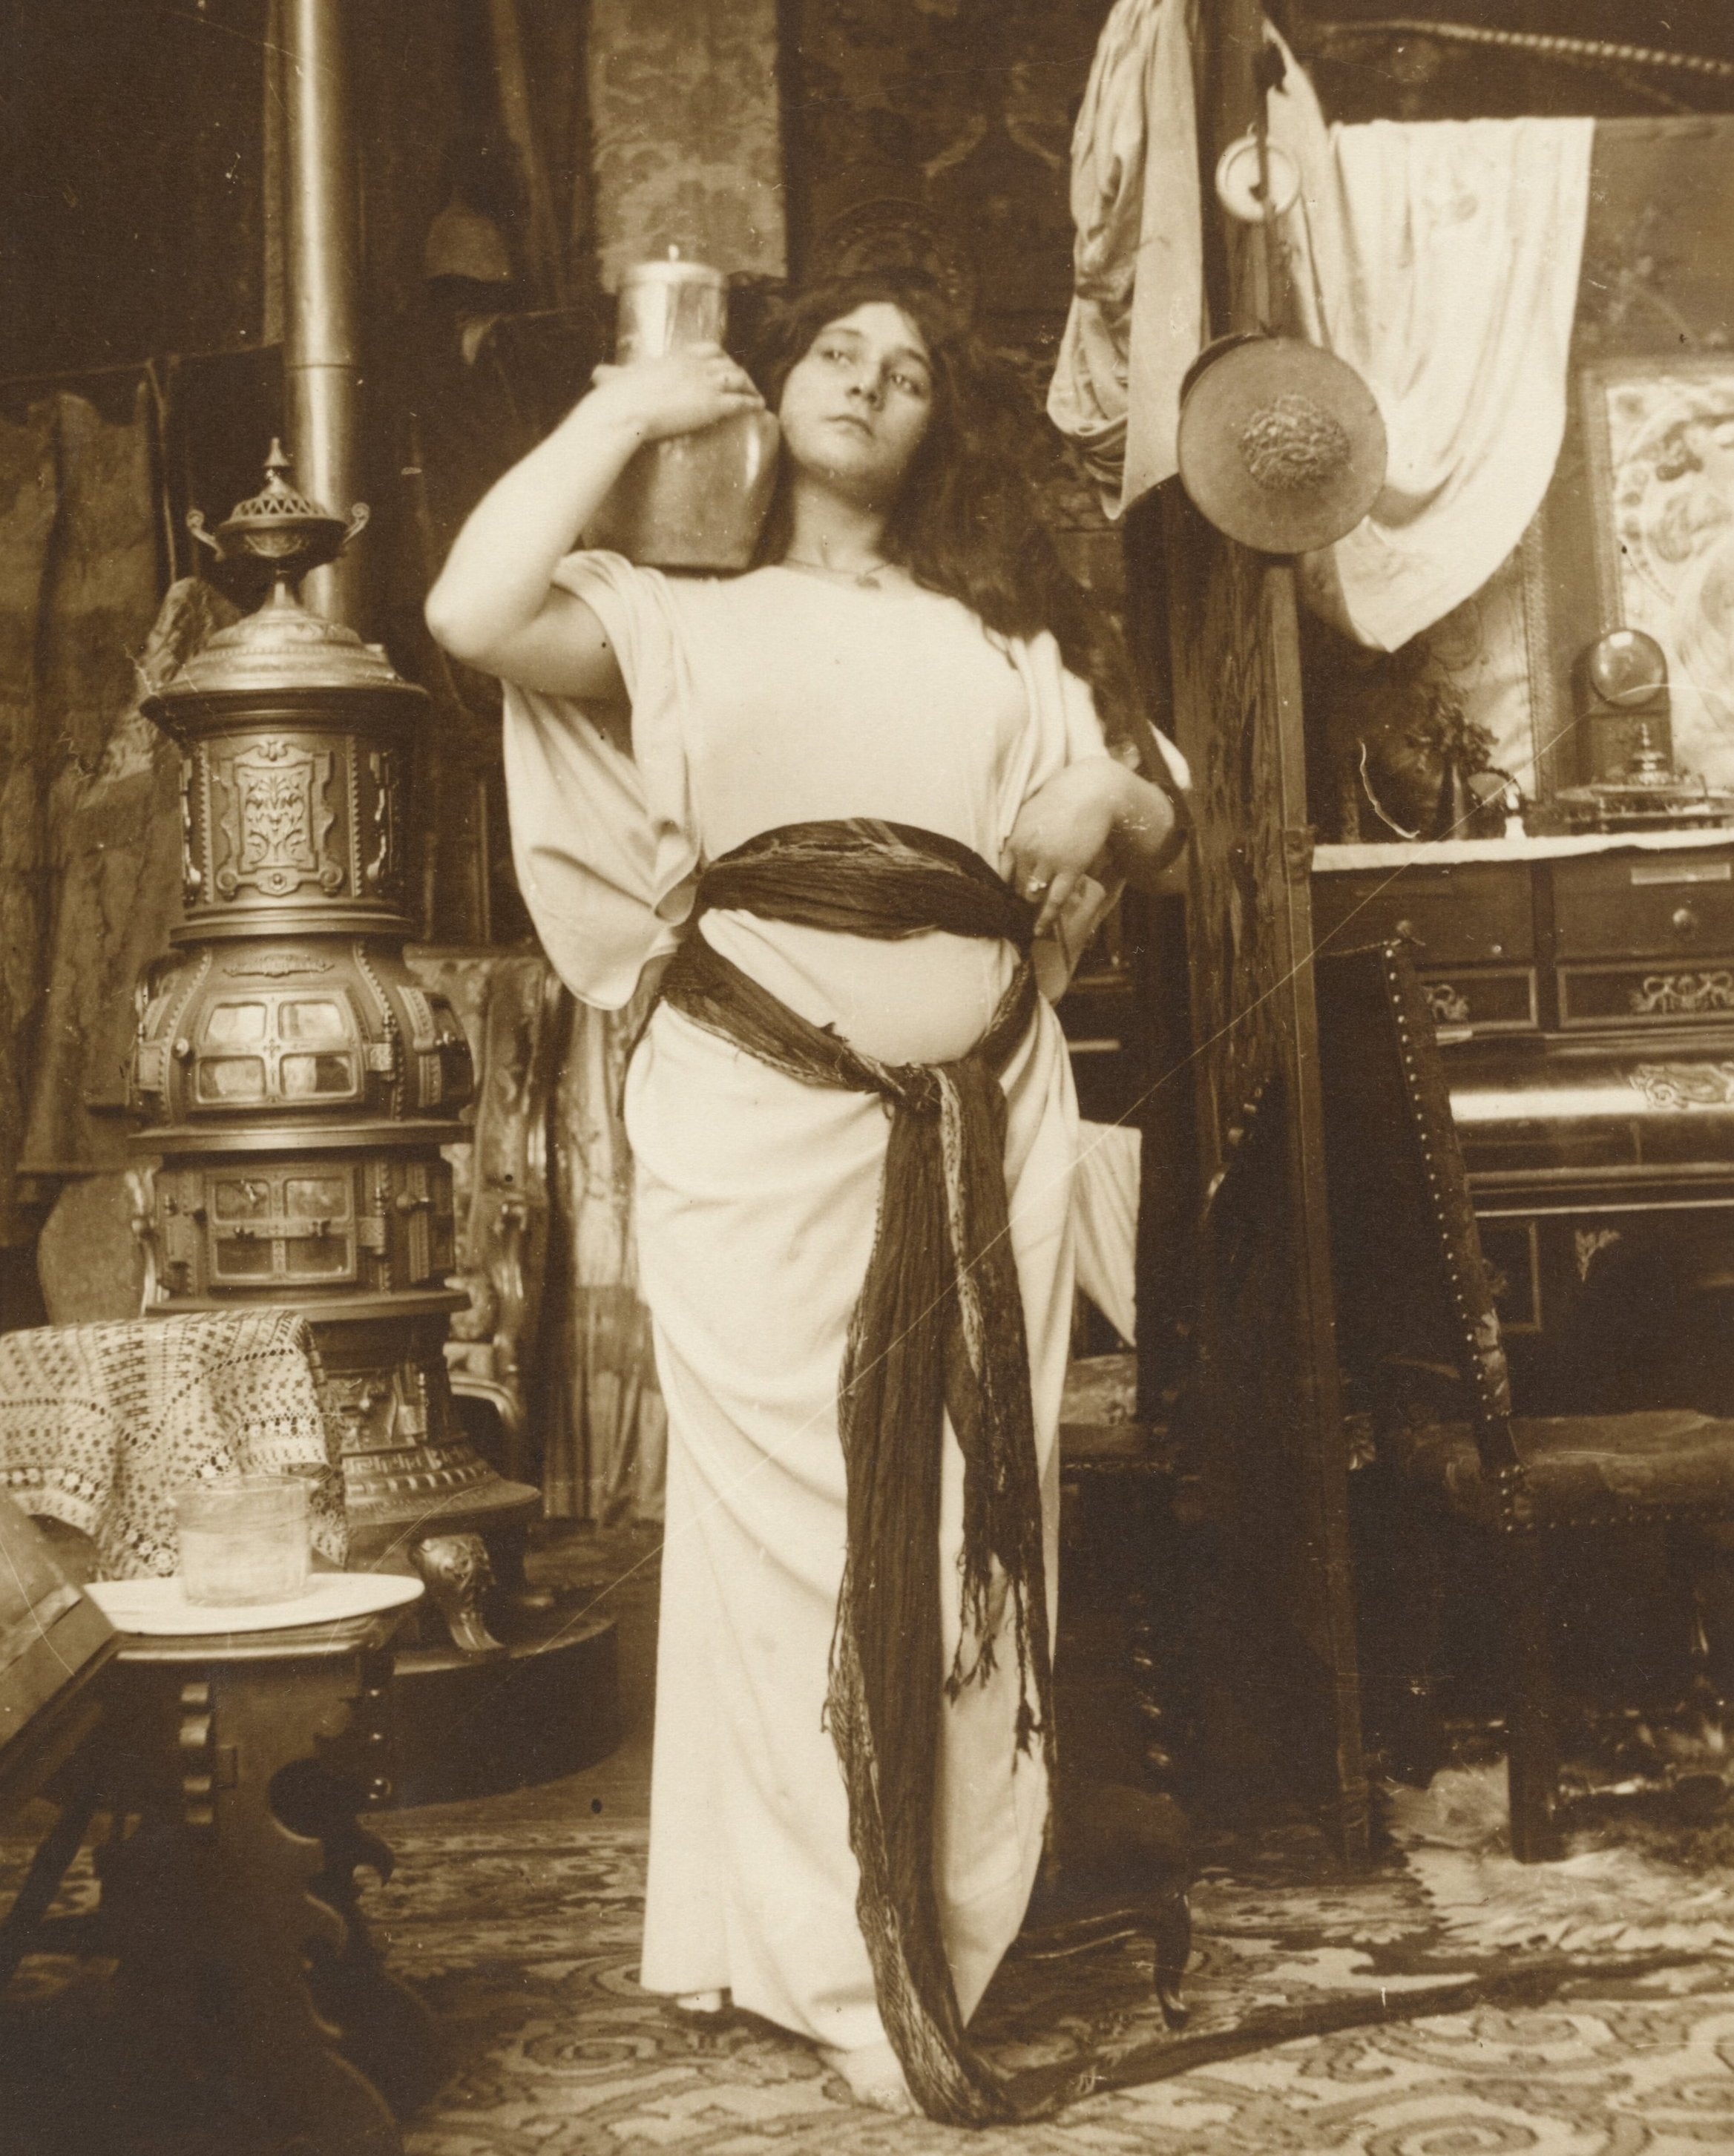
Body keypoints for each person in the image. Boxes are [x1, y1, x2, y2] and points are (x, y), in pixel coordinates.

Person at [425, 271, 1190, 2123]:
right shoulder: (670, 612)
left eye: (912, 369)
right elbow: (466, 607)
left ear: (943, 429)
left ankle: (896, 1912)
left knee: (964, 1524)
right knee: (799, 1535)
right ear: (762, 394)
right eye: (837, 353)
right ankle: (851, 1955)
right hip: (760, 1109)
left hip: (992, 1103)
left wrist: (1102, 792)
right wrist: (628, 403)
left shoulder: (990, 633)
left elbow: (1167, 815)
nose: (873, 382)